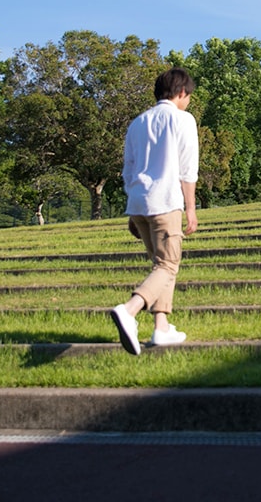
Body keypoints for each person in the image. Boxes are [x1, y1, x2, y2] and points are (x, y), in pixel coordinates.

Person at [110, 67, 199, 355]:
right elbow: (188, 169)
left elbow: (128, 170)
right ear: (181, 92)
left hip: (139, 203)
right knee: (168, 265)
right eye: (189, 96)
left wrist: (132, 209)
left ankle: (161, 328)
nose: (188, 102)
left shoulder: (138, 123)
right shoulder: (183, 120)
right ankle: (129, 309)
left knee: (161, 266)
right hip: (165, 201)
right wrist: (191, 208)